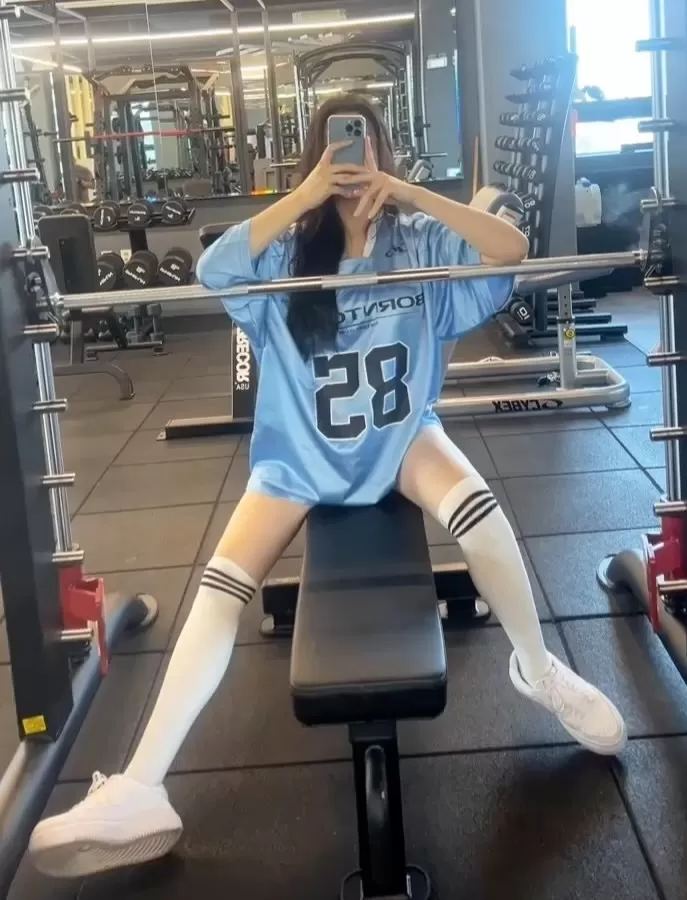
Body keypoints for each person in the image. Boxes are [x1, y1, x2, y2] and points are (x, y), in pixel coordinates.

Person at [28, 95, 627, 879]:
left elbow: (509, 248)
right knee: (219, 586)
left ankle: (537, 667)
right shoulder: (285, 253)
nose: (352, 159)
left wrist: (407, 192)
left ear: (382, 150)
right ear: (317, 158)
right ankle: (142, 786)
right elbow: (212, 270)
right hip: (300, 454)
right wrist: (305, 196)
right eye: (337, 147)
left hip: (401, 438)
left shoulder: (418, 239)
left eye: (364, 143)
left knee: (478, 512)